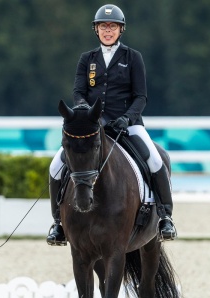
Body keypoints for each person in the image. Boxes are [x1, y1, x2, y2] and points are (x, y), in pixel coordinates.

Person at [46, 4, 177, 246]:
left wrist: (127, 118)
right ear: (96, 30)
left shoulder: (132, 57)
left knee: (156, 161)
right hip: (95, 125)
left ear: (120, 29)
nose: (108, 30)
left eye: (112, 26)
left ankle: (165, 218)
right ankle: (58, 223)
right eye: (103, 26)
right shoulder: (87, 59)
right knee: (56, 165)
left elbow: (141, 96)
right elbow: (78, 92)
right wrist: (86, 112)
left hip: (128, 124)